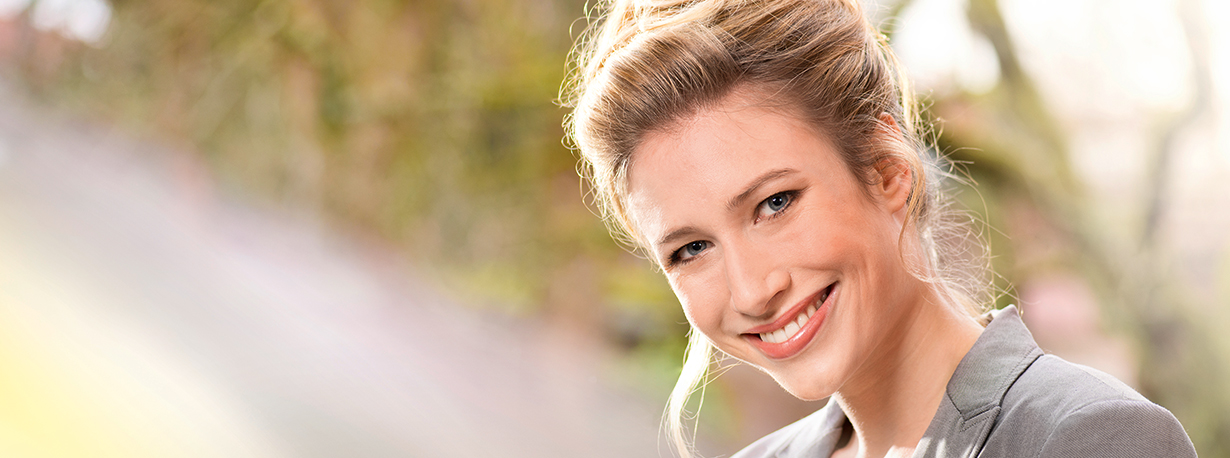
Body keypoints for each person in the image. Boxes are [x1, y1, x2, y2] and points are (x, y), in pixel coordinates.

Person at [562, 0, 1197, 457]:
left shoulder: (1090, 438)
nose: (752, 291)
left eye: (775, 203)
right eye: (691, 248)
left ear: (888, 170)